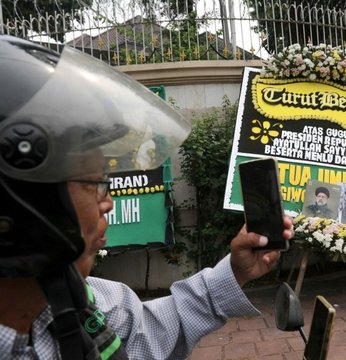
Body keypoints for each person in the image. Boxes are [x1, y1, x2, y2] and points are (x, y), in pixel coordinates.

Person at [0, 35, 294, 359]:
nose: (108, 202)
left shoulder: (85, 304)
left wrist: (239, 271)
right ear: (20, 201)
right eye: (93, 184)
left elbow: (155, 330)